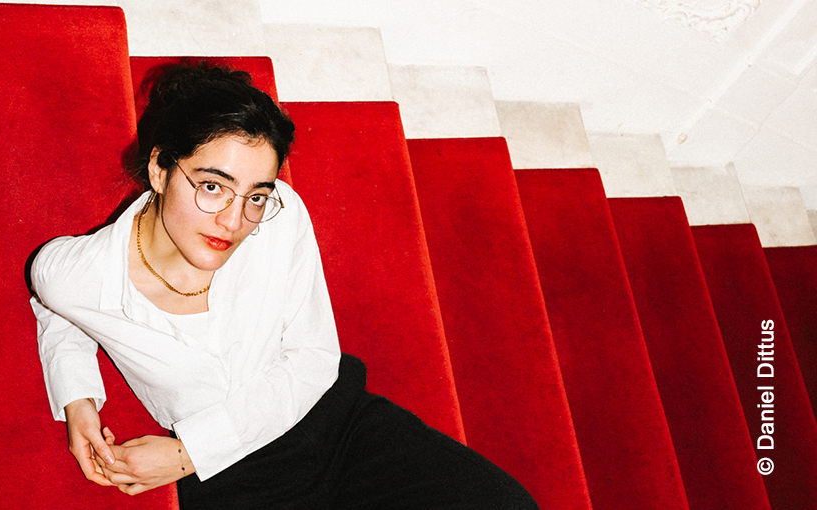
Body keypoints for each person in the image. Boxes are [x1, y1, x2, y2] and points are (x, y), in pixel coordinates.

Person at [30, 63, 539, 509]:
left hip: (333, 425)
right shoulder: (78, 272)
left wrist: (188, 453)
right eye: (212, 186)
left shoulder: (281, 216)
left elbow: (313, 359)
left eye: (256, 194)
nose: (234, 221)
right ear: (160, 170)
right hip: (234, 483)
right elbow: (55, 304)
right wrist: (78, 399)